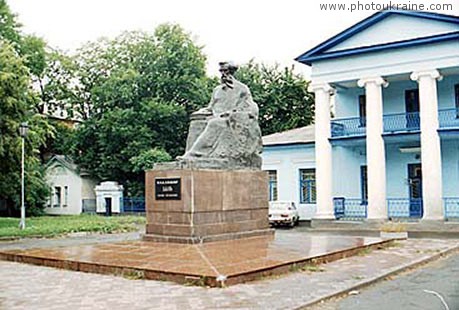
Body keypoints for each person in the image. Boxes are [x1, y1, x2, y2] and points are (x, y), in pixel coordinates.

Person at [179, 61, 262, 169]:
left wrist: (232, 113)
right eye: (221, 71)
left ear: (231, 72)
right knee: (196, 123)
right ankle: (190, 157)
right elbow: (210, 107)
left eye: (225, 71)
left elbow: (250, 108)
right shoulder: (217, 90)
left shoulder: (242, 89)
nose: (223, 74)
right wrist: (200, 112)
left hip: (230, 120)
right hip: (214, 116)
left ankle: (195, 154)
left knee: (215, 123)